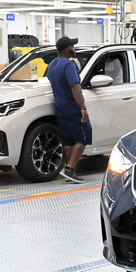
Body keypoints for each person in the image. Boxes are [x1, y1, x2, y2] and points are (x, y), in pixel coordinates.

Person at [46, 36, 92, 183]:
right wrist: (82, 107)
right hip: (72, 108)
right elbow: (75, 86)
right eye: (72, 46)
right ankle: (70, 169)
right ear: (67, 49)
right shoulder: (69, 65)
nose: (74, 48)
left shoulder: (52, 65)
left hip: (59, 108)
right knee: (84, 136)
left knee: (67, 140)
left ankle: (68, 168)